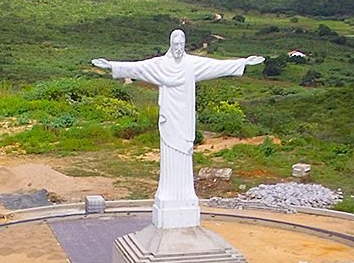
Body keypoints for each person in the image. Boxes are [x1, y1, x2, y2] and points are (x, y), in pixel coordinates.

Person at [93, 30, 263, 229]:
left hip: (185, 118)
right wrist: (112, 65)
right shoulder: (160, 65)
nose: (178, 47)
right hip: (169, 118)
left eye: (181, 43)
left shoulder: (192, 64)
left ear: (185, 44)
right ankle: (168, 194)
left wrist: (242, 62)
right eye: (175, 43)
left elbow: (216, 66)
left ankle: (184, 195)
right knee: (170, 153)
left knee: (184, 154)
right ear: (170, 43)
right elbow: (139, 68)